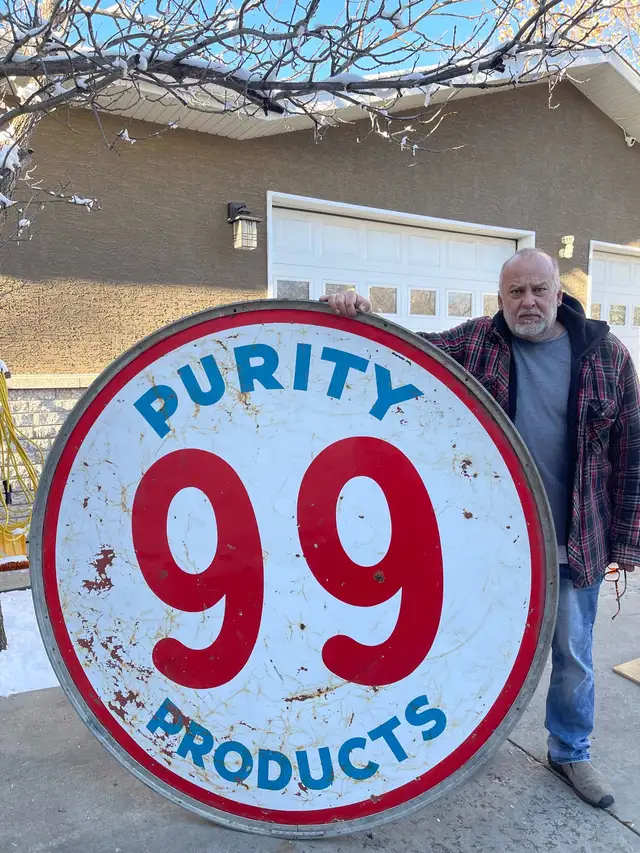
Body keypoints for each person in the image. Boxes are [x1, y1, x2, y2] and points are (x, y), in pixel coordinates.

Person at [321, 247, 640, 809]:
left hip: (573, 540)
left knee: (573, 656)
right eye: (515, 292)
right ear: (501, 298)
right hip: (490, 545)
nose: (528, 302)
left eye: (539, 289)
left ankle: (571, 752)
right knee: (471, 646)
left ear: (560, 294)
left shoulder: (606, 355)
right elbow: (402, 354)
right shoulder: (475, 343)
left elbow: (631, 448)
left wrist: (625, 540)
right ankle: (456, 747)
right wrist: (356, 312)